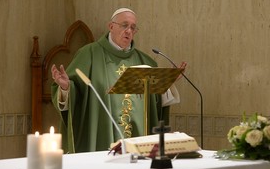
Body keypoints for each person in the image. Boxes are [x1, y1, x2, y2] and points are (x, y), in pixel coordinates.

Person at [51, 8, 186, 153]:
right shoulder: (89, 54)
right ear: (111, 26)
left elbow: (156, 106)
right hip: (101, 140)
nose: (129, 31)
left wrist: (167, 82)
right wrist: (66, 88)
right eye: (124, 25)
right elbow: (76, 98)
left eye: (133, 28)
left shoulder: (146, 61)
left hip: (138, 145)